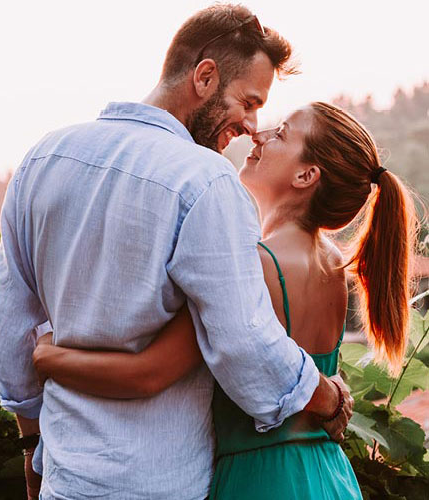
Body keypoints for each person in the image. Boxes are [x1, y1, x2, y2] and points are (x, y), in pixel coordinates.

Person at [0, 5, 352, 499]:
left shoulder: (43, 158)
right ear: (205, 76)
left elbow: (14, 336)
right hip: (163, 485)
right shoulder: (205, 182)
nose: (251, 126)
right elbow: (246, 348)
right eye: (248, 102)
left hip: (65, 482)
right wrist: (328, 397)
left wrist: (33, 452)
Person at [33, 101, 417, 499]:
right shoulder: (331, 262)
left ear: (307, 175)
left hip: (261, 480)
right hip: (327, 473)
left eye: (281, 133)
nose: (259, 135)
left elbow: (148, 372)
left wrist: (47, 357)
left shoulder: (252, 266)